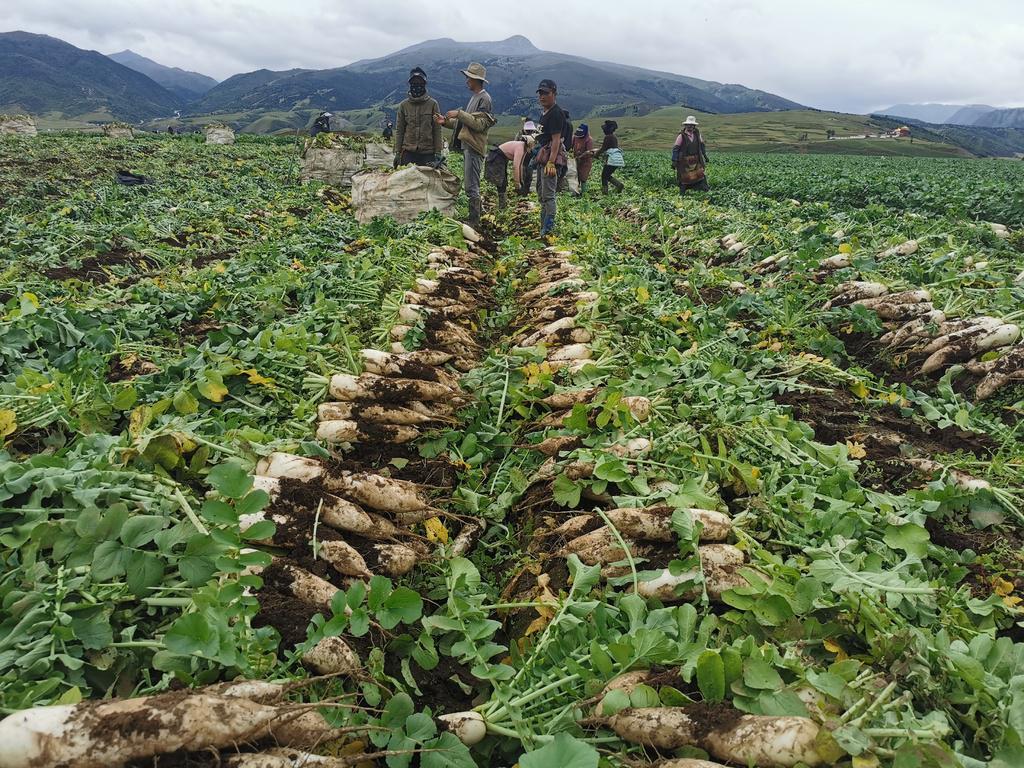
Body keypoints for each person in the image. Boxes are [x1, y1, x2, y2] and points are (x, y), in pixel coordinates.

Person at [436, 62, 496, 229]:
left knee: (471, 185)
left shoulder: (484, 99)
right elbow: (465, 124)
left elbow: (479, 125)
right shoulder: (475, 97)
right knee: (471, 183)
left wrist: (459, 114)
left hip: (474, 147)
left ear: (476, 80)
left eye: (469, 78)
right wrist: (445, 122)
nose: (466, 81)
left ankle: (474, 220)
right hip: (468, 146)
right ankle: (477, 216)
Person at [533, 79, 567, 237]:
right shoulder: (545, 112)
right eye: (540, 93)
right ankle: (543, 227)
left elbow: (556, 140)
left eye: (546, 93)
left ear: (554, 93)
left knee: (548, 195)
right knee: (542, 194)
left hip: (550, 158)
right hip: (543, 157)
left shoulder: (555, 113)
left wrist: (551, 162)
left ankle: (548, 230)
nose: (542, 96)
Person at [394, 67, 443, 168]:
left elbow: (437, 129)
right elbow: (400, 130)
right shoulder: (404, 105)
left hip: (428, 153)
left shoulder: (433, 104)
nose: (416, 85)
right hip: (408, 152)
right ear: (410, 84)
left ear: (424, 84)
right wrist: (397, 152)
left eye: (419, 83)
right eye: (414, 83)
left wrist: (438, 151)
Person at [485, 131, 536, 209]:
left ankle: (503, 205)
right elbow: (516, 166)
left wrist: (521, 182)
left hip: (502, 158)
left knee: (504, 181)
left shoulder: (524, 149)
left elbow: (520, 166)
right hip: (497, 156)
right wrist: (517, 183)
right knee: (501, 181)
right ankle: (502, 206)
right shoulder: (520, 148)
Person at [672, 115, 709, 195]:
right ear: (685, 126)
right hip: (684, 160)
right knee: (684, 177)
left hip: (696, 159)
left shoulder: (697, 134)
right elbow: (676, 148)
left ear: (694, 126)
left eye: (692, 125)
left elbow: (702, 145)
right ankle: (682, 194)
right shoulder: (681, 136)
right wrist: (674, 160)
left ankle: (705, 190)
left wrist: (705, 155)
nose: (690, 127)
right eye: (688, 125)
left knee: (700, 174)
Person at [592, 120, 624, 194]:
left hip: (612, 159)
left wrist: (596, 154)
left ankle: (605, 192)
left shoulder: (608, 137)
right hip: (617, 159)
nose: (603, 131)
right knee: (607, 175)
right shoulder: (613, 137)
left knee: (604, 175)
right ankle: (618, 185)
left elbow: (603, 148)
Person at [571, 124, 593, 196]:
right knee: (575, 176)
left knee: (583, 177)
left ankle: (584, 193)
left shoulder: (589, 140)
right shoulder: (575, 137)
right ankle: (575, 192)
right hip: (576, 160)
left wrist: (581, 156)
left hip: (585, 161)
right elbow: (571, 146)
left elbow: (589, 152)